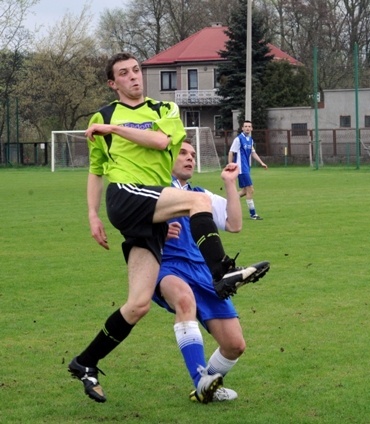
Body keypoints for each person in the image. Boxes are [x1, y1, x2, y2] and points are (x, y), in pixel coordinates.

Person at [68, 52, 269, 403]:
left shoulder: (164, 111)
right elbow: (97, 170)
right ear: (112, 83)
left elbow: (162, 143)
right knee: (197, 202)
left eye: (136, 71)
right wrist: (91, 214)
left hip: (150, 208)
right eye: (123, 74)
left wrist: (114, 129)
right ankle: (223, 272)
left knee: (138, 304)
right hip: (127, 195)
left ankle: (85, 362)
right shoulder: (101, 116)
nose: (133, 77)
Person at [153, 141, 250, 403]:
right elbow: (128, 220)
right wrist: (158, 230)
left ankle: (207, 386)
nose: (190, 158)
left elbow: (235, 224)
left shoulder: (199, 194)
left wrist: (230, 183)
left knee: (235, 345)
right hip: (168, 265)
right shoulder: (154, 190)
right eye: (182, 153)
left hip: (204, 271)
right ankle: (201, 382)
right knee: (184, 300)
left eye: (193, 154)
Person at [228, 120, 268, 220]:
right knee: (250, 189)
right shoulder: (238, 139)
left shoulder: (250, 140)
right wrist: (230, 165)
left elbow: (253, 153)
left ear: (251, 128)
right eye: (245, 126)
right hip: (241, 168)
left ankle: (226, 203)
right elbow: (231, 152)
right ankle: (253, 214)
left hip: (246, 168)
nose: (247, 128)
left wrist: (261, 162)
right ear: (242, 128)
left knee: (245, 191)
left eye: (249, 126)